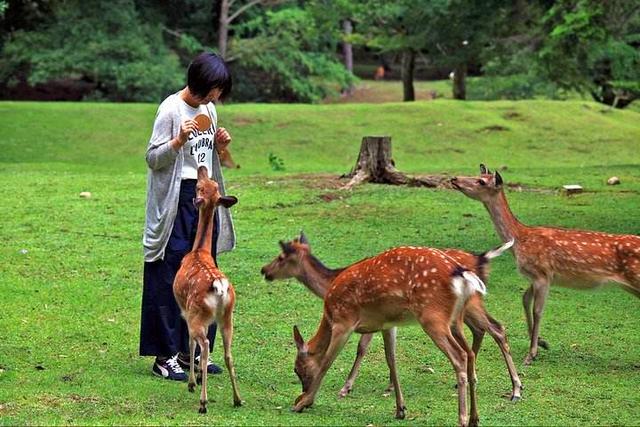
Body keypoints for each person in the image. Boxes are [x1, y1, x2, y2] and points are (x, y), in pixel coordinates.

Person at [139, 52, 236, 381]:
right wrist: (177, 140)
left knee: (204, 274)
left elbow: (206, 155)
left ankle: (193, 351)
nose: (218, 96)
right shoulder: (170, 109)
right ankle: (164, 357)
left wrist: (220, 145)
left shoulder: (209, 110)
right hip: (177, 200)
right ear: (204, 84)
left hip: (205, 196)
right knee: (170, 273)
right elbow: (153, 158)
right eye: (216, 89)